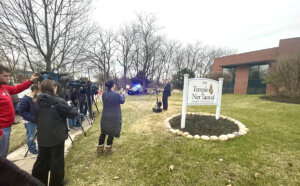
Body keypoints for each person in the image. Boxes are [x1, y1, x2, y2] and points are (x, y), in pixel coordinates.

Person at [32, 79, 78, 186]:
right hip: (56, 135)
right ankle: (56, 183)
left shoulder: (35, 100)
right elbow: (72, 113)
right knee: (57, 162)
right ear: (53, 88)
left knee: (42, 161)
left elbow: (31, 114)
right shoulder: (58, 101)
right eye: (55, 87)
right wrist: (73, 107)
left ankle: (38, 182)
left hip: (43, 135)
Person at [0, 64, 39, 158]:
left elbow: (18, 88)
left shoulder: (4, 88)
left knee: (3, 155)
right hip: (1, 129)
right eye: (5, 75)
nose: (8, 78)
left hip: (7, 127)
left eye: (9, 75)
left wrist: (30, 81)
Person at [97, 79, 125, 154]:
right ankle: (108, 149)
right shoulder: (117, 95)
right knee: (111, 132)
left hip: (105, 115)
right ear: (113, 85)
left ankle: (100, 148)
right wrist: (123, 94)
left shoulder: (104, 94)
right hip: (113, 116)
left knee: (103, 131)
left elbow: (110, 98)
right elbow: (122, 101)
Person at [17, 84, 39, 154]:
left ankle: (37, 147)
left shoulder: (35, 97)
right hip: (29, 122)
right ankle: (32, 150)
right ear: (35, 90)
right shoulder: (26, 99)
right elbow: (21, 110)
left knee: (35, 135)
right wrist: (32, 118)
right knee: (31, 136)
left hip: (36, 120)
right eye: (39, 91)